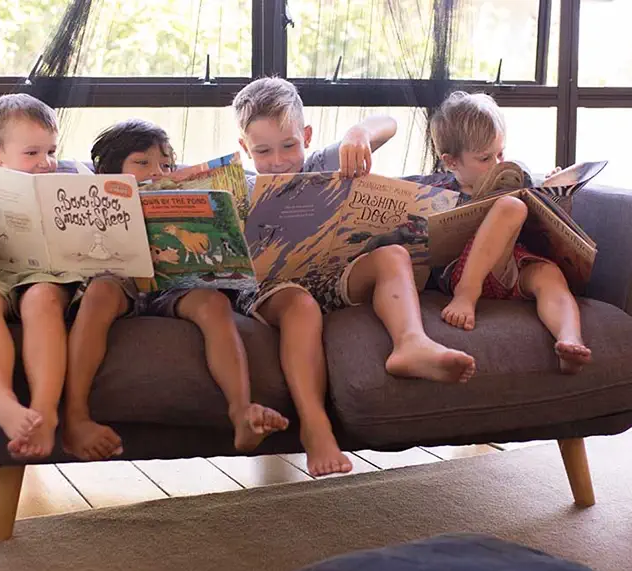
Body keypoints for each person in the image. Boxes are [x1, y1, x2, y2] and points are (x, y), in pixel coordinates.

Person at [232, 77, 477, 476]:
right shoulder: (242, 183)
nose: (278, 160)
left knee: (393, 254)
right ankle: (315, 426)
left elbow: (389, 123)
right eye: (263, 150)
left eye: (289, 145)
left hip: (332, 272)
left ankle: (411, 344)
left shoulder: (322, 166)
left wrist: (359, 134)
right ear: (245, 147)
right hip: (272, 287)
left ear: (306, 136)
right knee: (301, 305)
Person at [62, 119, 288, 462]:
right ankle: (75, 417)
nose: (157, 172)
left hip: (176, 281)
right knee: (99, 294)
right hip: (122, 277)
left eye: (166, 165)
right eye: (142, 163)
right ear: (111, 169)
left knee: (213, 304)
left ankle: (241, 410)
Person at [0, 94, 83, 459]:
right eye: (32, 153)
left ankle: (44, 411)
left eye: (51, 151)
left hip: (50, 274)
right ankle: (1, 401)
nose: (45, 163)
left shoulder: (64, 178)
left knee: (40, 299)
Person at [426, 90, 590, 374]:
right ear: (451, 162)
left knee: (549, 276)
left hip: (515, 264)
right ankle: (467, 295)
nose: (498, 164)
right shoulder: (436, 190)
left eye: (501, 153)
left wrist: (555, 194)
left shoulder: (516, 179)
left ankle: (569, 340)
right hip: (463, 271)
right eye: (485, 158)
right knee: (510, 207)